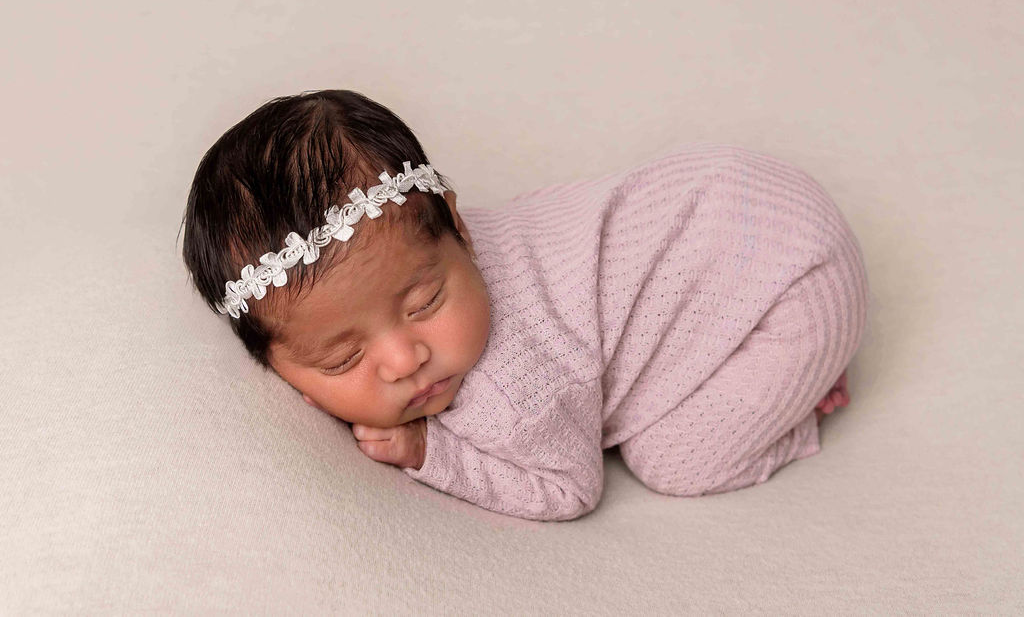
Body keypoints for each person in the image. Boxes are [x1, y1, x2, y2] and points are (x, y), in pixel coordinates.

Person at [180, 89, 867, 521]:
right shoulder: (407, 246)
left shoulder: (511, 390)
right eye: (345, 356)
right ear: (278, 365)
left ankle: (800, 401)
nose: (405, 358)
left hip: (794, 285)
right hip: (736, 195)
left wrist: (429, 452)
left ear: (459, 227)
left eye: (425, 301)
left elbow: (570, 489)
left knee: (673, 461)